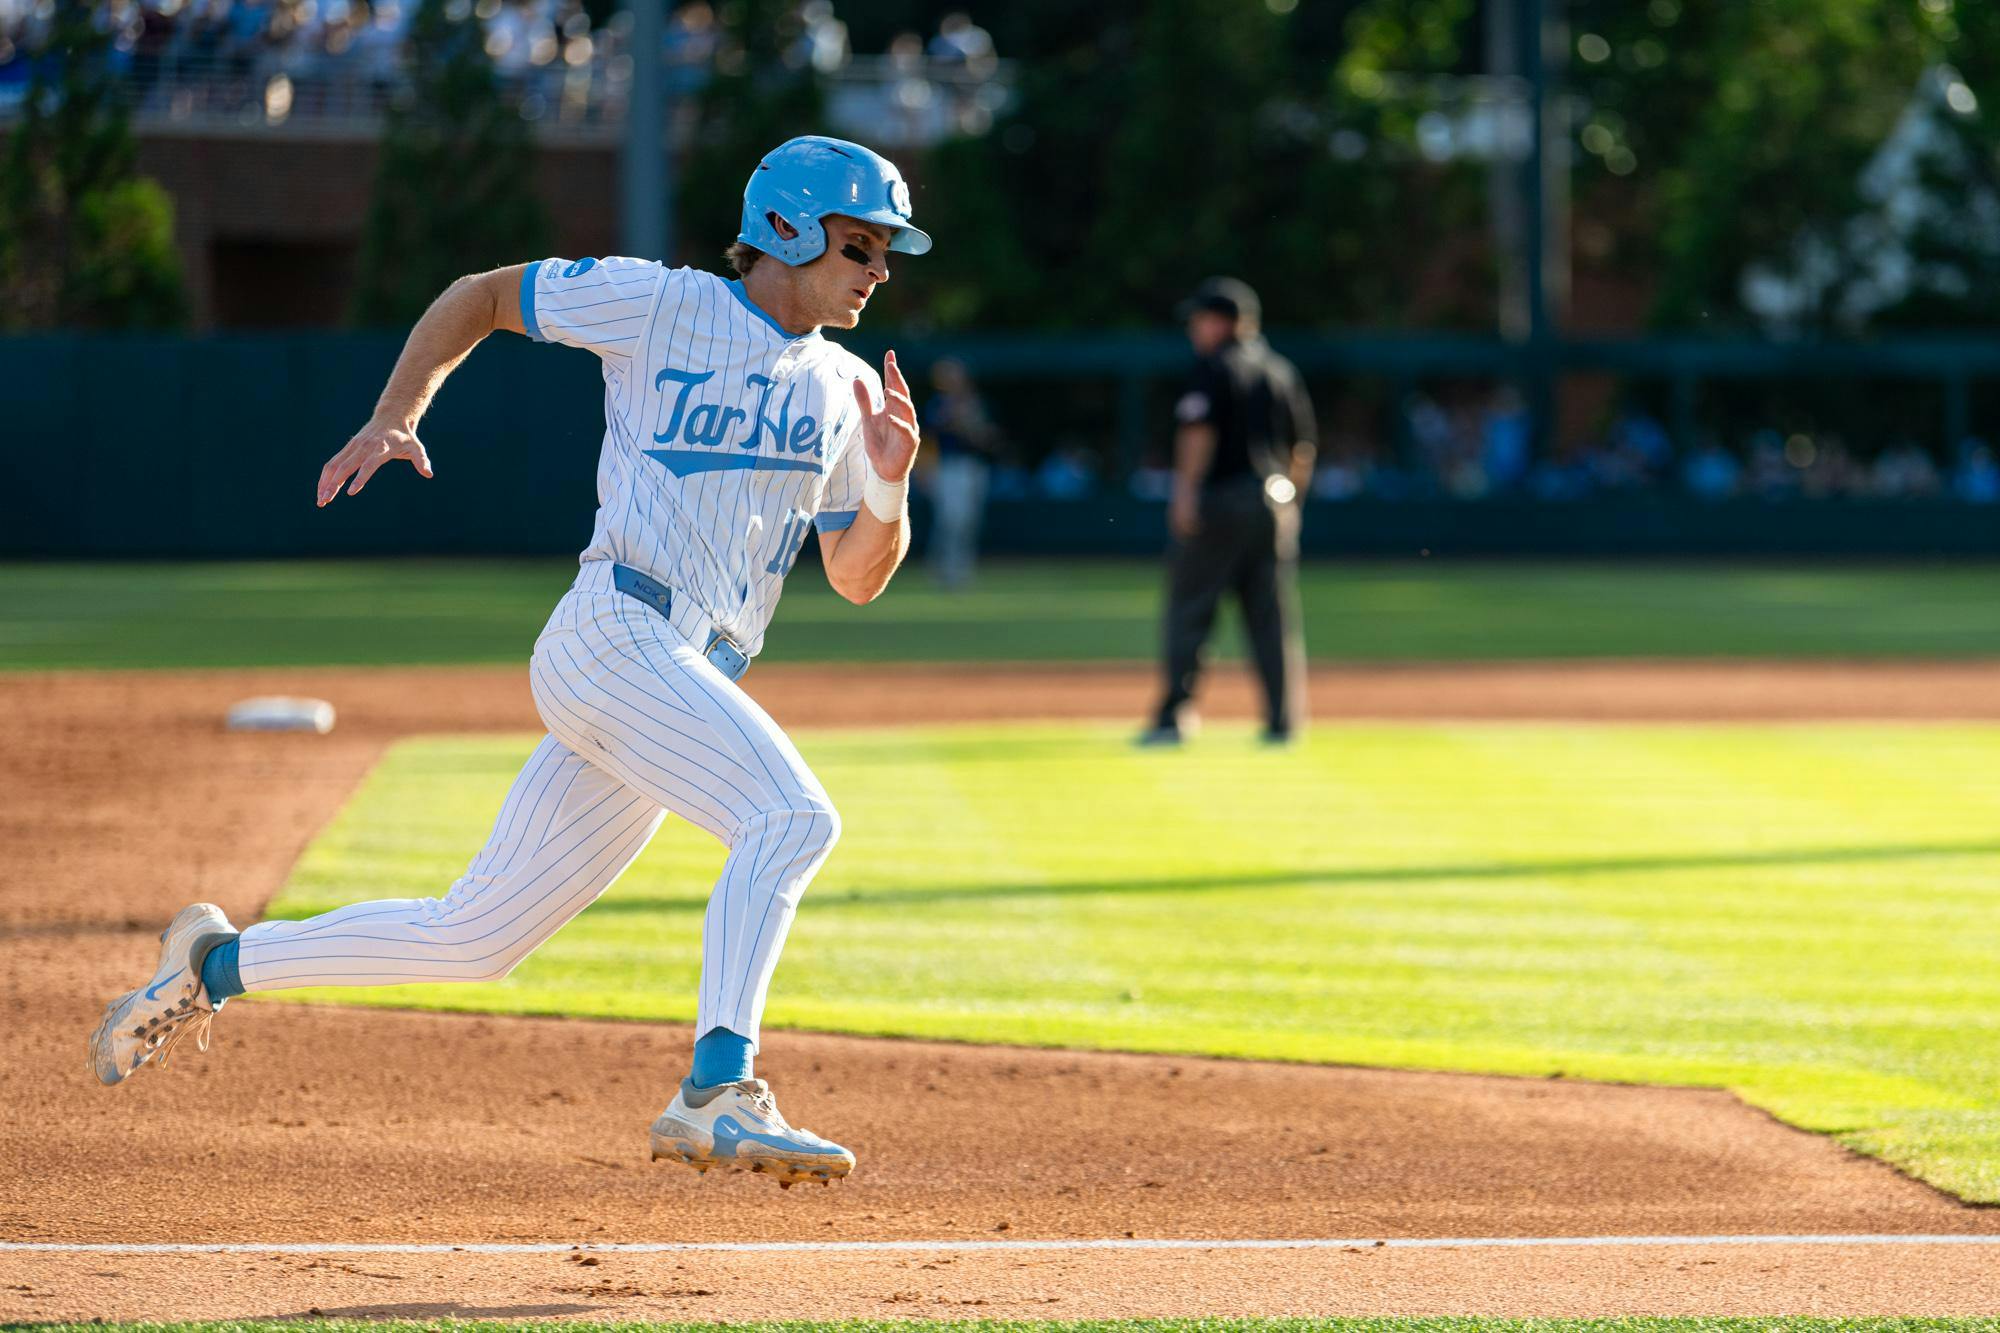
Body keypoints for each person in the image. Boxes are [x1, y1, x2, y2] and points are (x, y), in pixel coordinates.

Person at [87, 135, 932, 1190]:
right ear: (787, 229)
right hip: (615, 632)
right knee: (792, 817)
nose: (879, 270)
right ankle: (718, 1089)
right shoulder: (661, 304)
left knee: (476, 936)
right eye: (861, 244)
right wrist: (396, 416)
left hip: (683, 679)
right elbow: (480, 295)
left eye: (887, 250)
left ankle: (211, 963)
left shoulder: (850, 387)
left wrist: (890, 487)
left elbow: (856, 577)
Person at [1141, 277, 1316, 748]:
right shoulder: (1279, 370)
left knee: (1191, 608)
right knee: (1271, 616)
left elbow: (1198, 433)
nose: (1195, 328)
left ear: (1224, 322)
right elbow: (1303, 449)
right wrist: (1292, 505)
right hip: (1272, 503)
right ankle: (1283, 722)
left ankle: (1173, 718)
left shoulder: (1214, 367)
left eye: (1201, 319)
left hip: (1222, 501)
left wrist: (1185, 494)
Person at [921, 357, 1000, 588]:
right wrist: (925, 470)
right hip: (947, 467)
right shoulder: (937, 404)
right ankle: (941, 569)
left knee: (969, 520)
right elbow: (926, 439)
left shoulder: (975, 403)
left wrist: (972, 423)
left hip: (974, 466)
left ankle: (961, 570)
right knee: (951, 519)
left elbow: (988, 437)